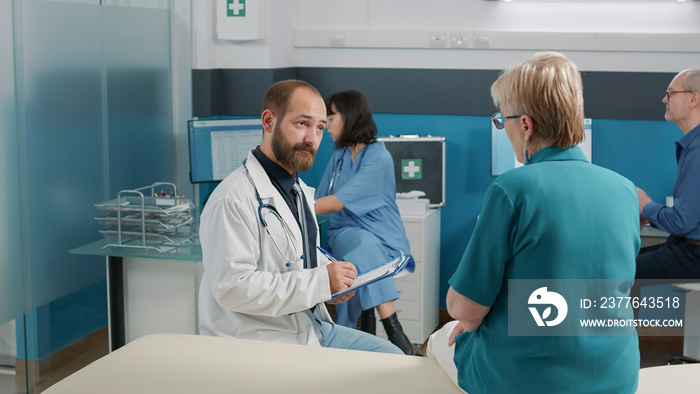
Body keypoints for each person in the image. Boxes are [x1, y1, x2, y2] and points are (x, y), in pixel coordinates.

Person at [426, 52, 640, 393]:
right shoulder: (624, 190)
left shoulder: (512, 189)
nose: (504, 127)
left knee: (440, 339)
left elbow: (465, 306)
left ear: (525, 125)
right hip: (618, 376)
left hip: (530, 381)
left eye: (503, 120)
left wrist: (468, 321)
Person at [197, 80, 402, 355]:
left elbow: (297, 255)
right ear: (269, 121)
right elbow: (232, 288)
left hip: (308, 326)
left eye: (319, 127)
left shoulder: (297, 191)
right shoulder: (232, 199)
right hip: (260, 340)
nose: (312, 138)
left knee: (393, 359)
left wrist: (333, 277)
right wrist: (321, 283)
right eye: (302, 124)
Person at [314, 90, 418, 355]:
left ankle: (352, 331)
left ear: (349, 116)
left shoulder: (378, 157)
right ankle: (395, 332)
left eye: (331, 115)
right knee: (361, 245)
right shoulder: (338, 157)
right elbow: (319, 199)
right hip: (345, 232)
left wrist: (290, 207)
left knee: (365, 248)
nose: (325, 123)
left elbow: (335, 202)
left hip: (385, 237)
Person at [635, 69, 700, 281]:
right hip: (684, 247)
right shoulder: (692, 146)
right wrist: (653, 216)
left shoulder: (698, 150)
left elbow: (682, 223)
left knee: (614, 273)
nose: (664, 99)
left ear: (693, 99)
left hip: (692, 255)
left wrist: (646, 205)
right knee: (622, 262)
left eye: (670, 93)